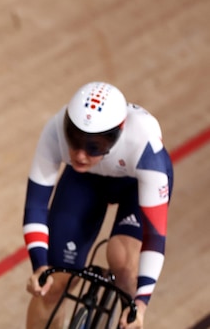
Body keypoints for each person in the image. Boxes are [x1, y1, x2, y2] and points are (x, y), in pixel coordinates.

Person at [22, 82, 173, 329]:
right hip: (84, 181)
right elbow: (35, 207)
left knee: (123, 263)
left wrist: (141, 302)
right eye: (74, 141)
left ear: (118, 135)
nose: (80, 155)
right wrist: (40, 267)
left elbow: (154, 236)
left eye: (94, 147)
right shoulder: (55, 129)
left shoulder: (146, 149)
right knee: (53, 284)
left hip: (134, 186)